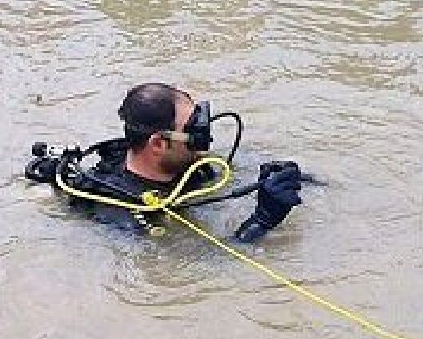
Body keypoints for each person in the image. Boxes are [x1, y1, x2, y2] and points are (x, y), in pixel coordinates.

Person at [26, 82, 304, 243]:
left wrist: (285, 178)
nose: (204, 136)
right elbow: (195, 269)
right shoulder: (120, 211)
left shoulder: (191, 163)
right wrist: (261, 223)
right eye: (193, 129)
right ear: (159, 143)